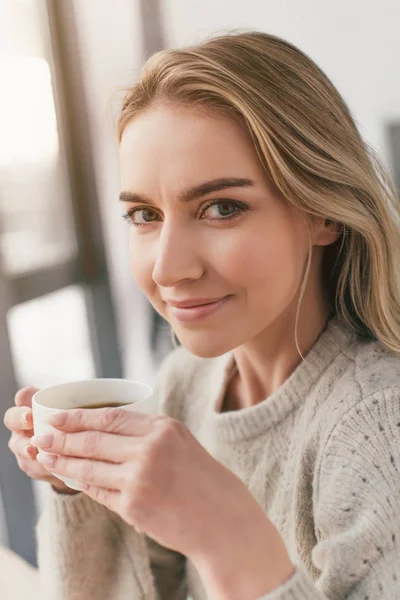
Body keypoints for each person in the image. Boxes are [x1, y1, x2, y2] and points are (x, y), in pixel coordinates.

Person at [4, 30, 400, 599]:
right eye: (144, 214)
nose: (167, 268)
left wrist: (229, 540)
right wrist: (80, 489)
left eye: (220, 208)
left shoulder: (376, 426)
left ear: (323, 213)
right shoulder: (186, 382)